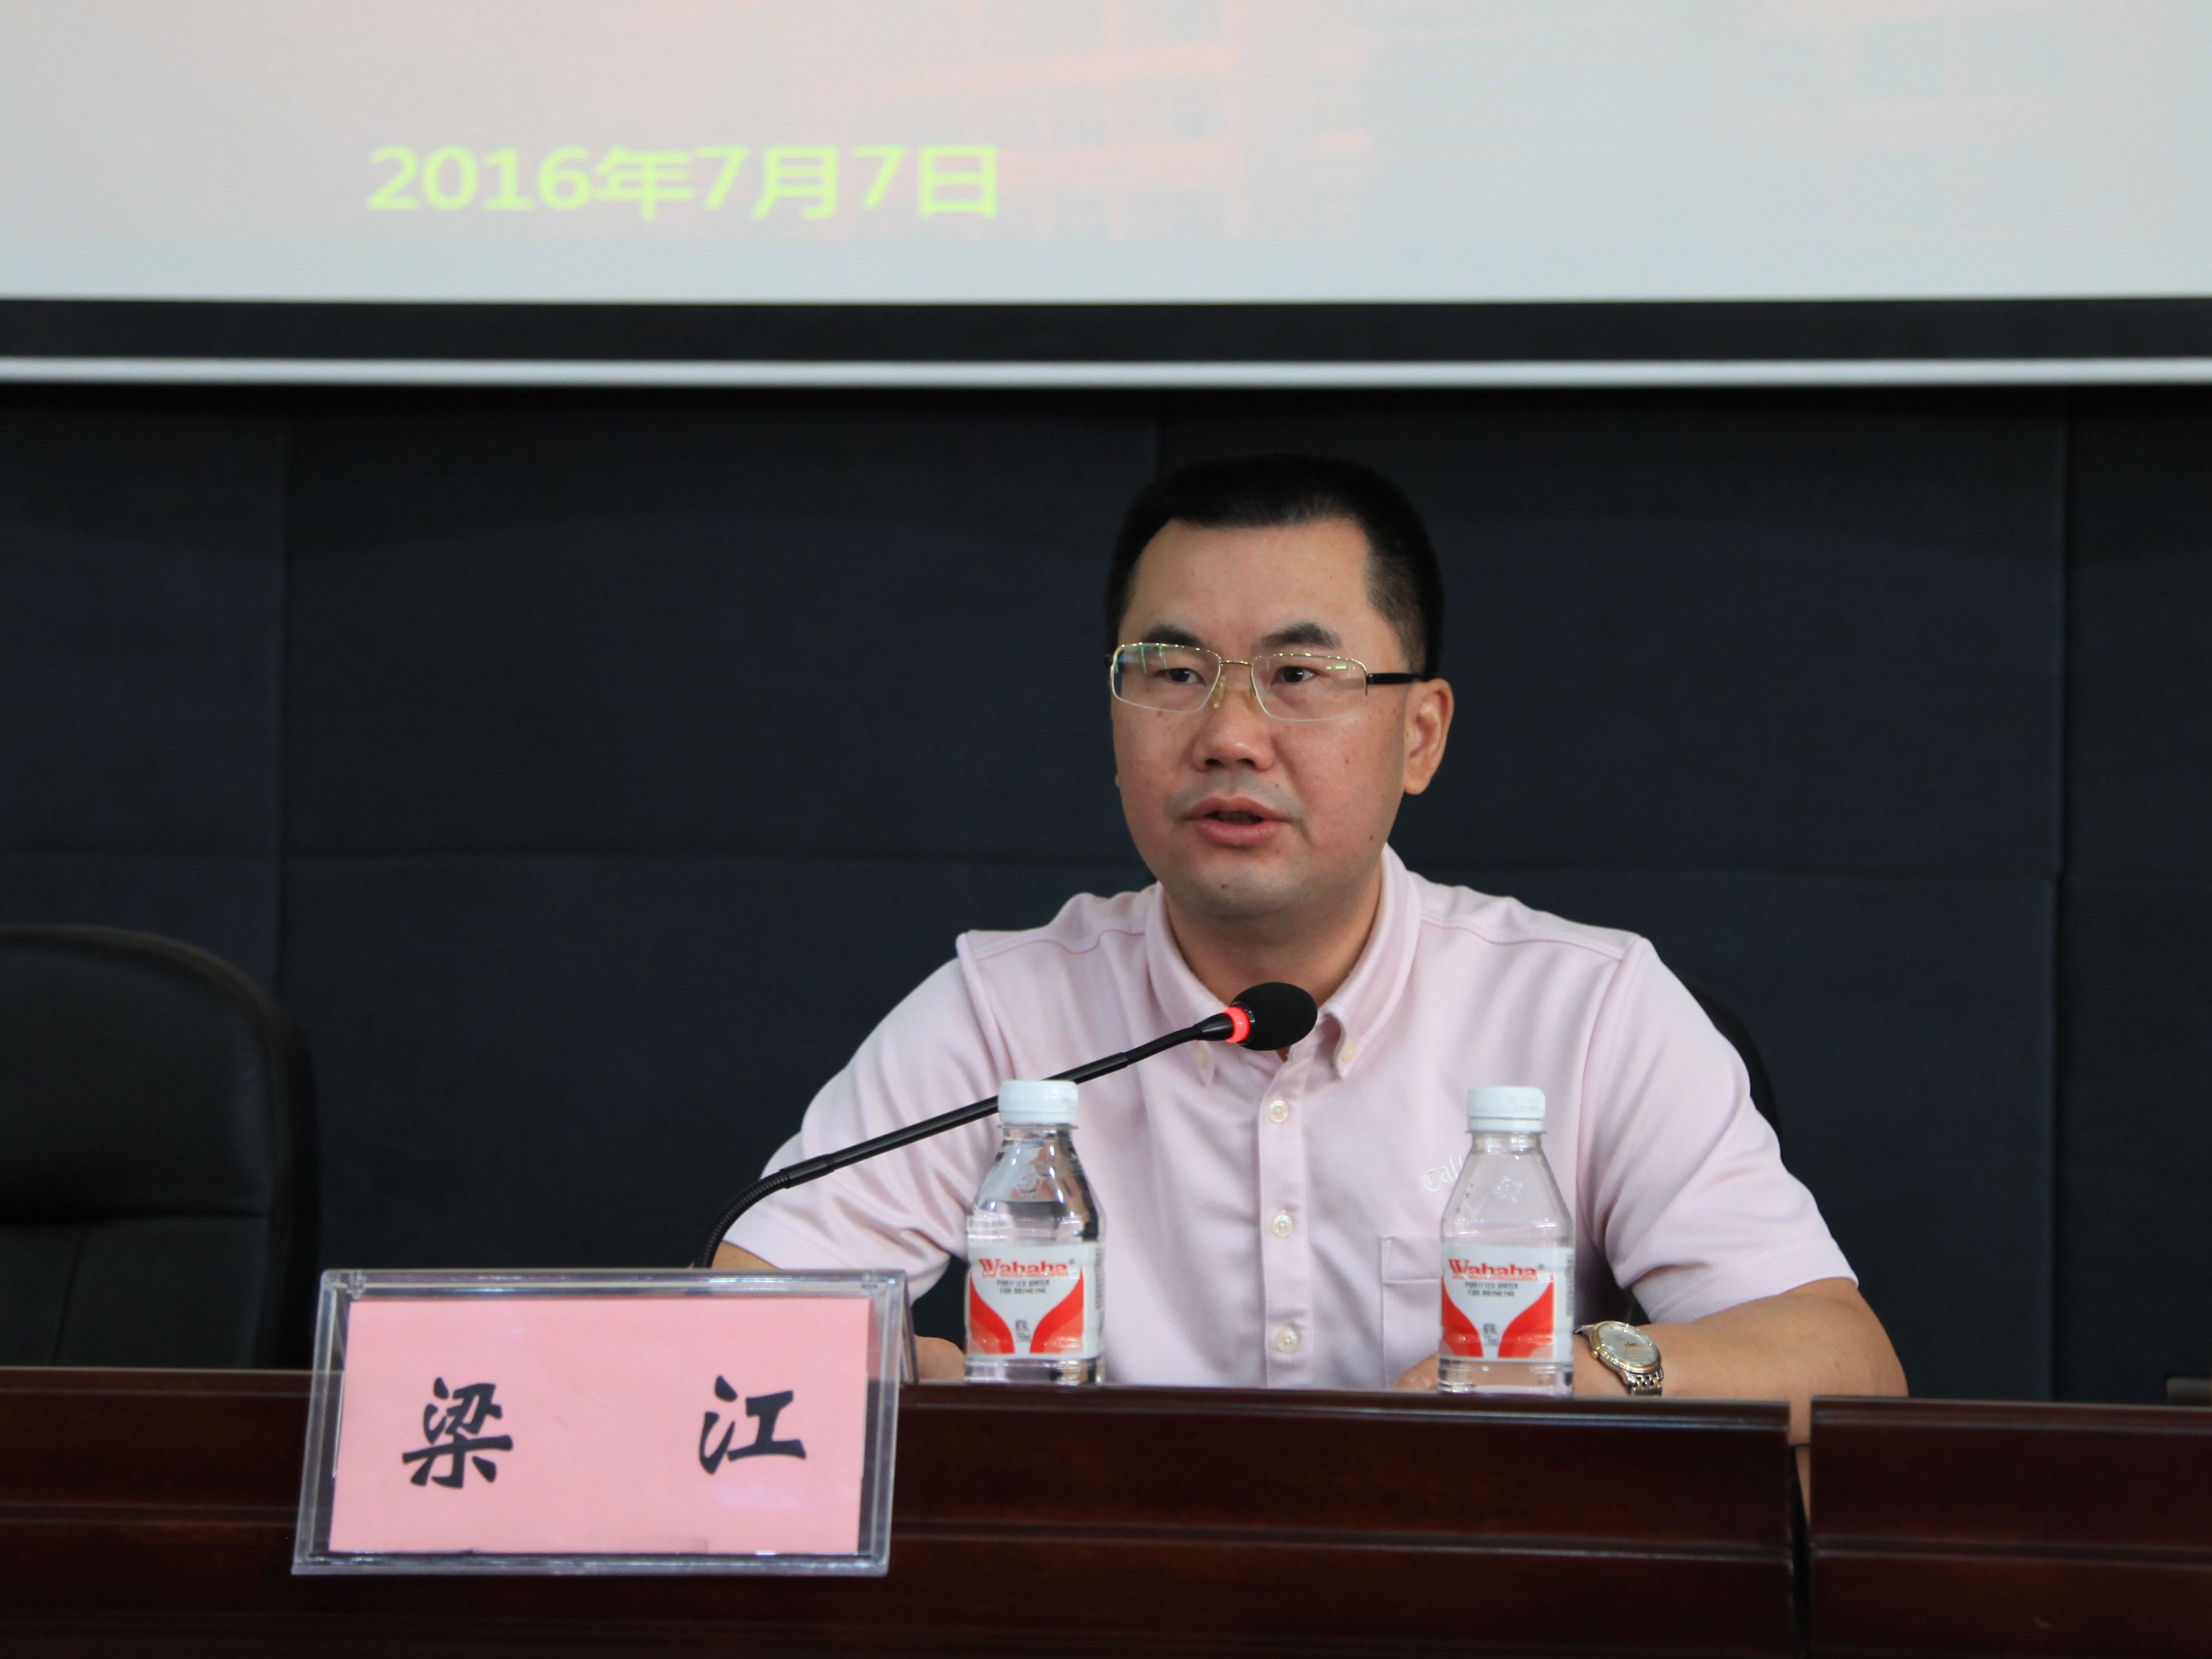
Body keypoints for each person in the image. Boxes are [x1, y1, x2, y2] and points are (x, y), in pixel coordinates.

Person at [715, 453, 1905, 1437]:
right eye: (1172, 672)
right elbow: (732, 1329)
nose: (1230, 733)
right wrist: (893, 1370)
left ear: (1419, 734)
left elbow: (1835, 1359)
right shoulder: (1000, 1009)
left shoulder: (1586, 1008)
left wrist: (1569, 1373)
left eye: (1298, 673)